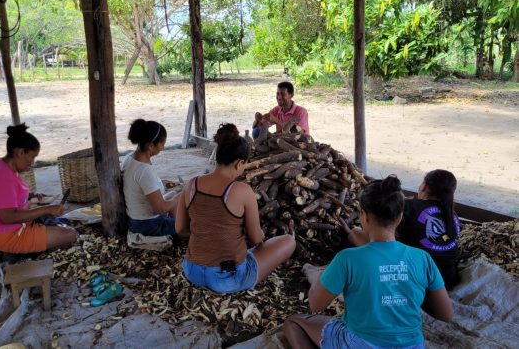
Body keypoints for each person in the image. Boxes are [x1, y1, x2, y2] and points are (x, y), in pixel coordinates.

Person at [284, 175, 453, 349]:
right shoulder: (422, 258)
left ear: (363, 216)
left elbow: (315, 305)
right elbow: (446, 314)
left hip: (360, 344)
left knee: (294, 322)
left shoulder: (347, 259)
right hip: (413, 345)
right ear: (400, 217)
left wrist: (319, 279)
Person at [175, 123, 296, 293]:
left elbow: (180, 229)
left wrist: (207, 234)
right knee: (288, 242)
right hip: (226, 279)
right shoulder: (241, 191)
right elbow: (256, 239)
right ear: (239, 163)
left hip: (192, 270)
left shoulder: (192, 185)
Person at [344, 170, 461, 289]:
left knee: (355, 233)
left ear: (424, 186)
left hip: (415, 279)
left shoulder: (409, 206)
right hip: (448, 279)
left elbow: (382, 235)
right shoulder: (453, 215)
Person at [0, 124, 78, 254]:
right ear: (21, 152)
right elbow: (7, 217)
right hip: (7, 236)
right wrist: (46, 209)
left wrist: (31, 196)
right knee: (70, 234)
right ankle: (34, 254)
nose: (32, 162)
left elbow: (7, 197)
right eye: (32, 156)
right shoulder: (2, 175)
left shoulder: (3, 167)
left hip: (13, 229)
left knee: (64, 224)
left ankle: (39, 245)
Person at [122, 119, 178, 237]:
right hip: (147, 224)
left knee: (172, 194)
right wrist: (183, 195)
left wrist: (160, 183)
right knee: (194, 226)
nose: (163, 148)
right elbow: (161, 208)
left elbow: (138, 184)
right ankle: (178, 230)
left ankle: (176, 225)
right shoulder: (145, 170)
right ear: (151, 145)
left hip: (136, 218)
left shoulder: (129, 158)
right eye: (162, 144)